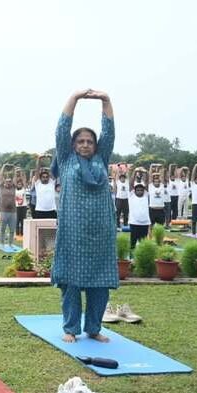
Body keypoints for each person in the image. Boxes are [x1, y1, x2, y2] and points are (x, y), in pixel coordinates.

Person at [53, 89, 117, 344]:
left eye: (90, 141)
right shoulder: (66, 159)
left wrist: (106, 101)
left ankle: (94, 327)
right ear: (72, 145)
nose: (85, 145)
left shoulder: (102, 158)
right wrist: (75, 97)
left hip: (101, 234)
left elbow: (109, 131)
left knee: (99, 285)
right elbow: (61, 128)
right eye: (80, 141)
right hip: (73, 234)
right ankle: (70, 329)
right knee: (71, 283)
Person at [127, 169, 151, 248]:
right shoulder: (131, 195)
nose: (140, 191)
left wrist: (146, 172)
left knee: (143, 245)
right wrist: (135, 172)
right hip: (134, 223)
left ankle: (141, 259)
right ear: (135, 191)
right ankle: (131, 258)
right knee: (133, 243)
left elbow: (147, 182)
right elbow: (131, 183)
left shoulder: (146, 195)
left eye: (141, 190)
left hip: (144, 223)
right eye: (138, 190)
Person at [0, 165, 19, 249]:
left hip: (13, 211)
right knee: (2, 229)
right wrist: (4, 166)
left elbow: (14, 176)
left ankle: (10, 243)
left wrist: (13, 169)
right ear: (5, 182)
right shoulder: (2, 187)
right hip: (3, 211)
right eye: (7, 181)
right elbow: (1, 175)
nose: (9, 182)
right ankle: (2, 243)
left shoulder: (13, 187)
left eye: (10, 181)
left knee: (12, 229)